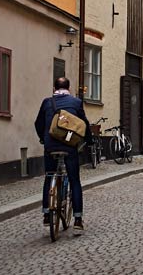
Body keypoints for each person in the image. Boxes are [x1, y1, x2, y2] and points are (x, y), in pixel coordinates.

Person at [34, 77, 91, 235]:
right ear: (69, 87)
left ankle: (46, 214)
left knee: (49, 175)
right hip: (69, 145)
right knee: (74, 180)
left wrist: (42, 138)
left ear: (54, 88)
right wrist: (89, 141)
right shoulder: (76, 102)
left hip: (50, 146)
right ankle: (78, 220)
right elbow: (84, 124)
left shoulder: (47, 102)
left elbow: (38, 123)